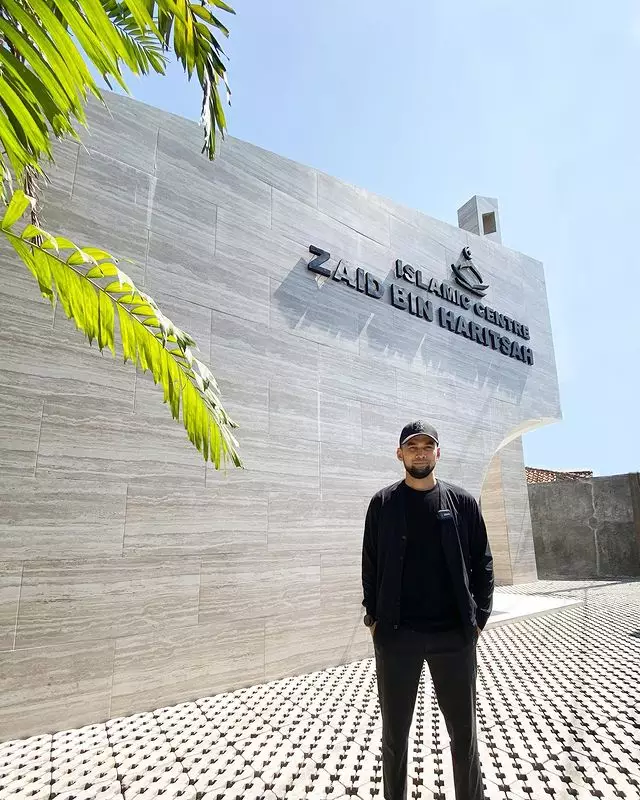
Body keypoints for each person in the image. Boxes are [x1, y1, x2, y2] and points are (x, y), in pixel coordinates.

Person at [361, 420, 494, 800]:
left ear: (438, 452)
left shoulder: (463, 503)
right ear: (399, 453)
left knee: (464, 735)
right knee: (394, 736)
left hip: (453, 636)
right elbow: (369, 564)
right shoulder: (383, 504)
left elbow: (483, 563)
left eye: (427, 445)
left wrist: (478, 619)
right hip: (397, 637)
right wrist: (373, 618)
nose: (420, 452)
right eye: (412, 446)